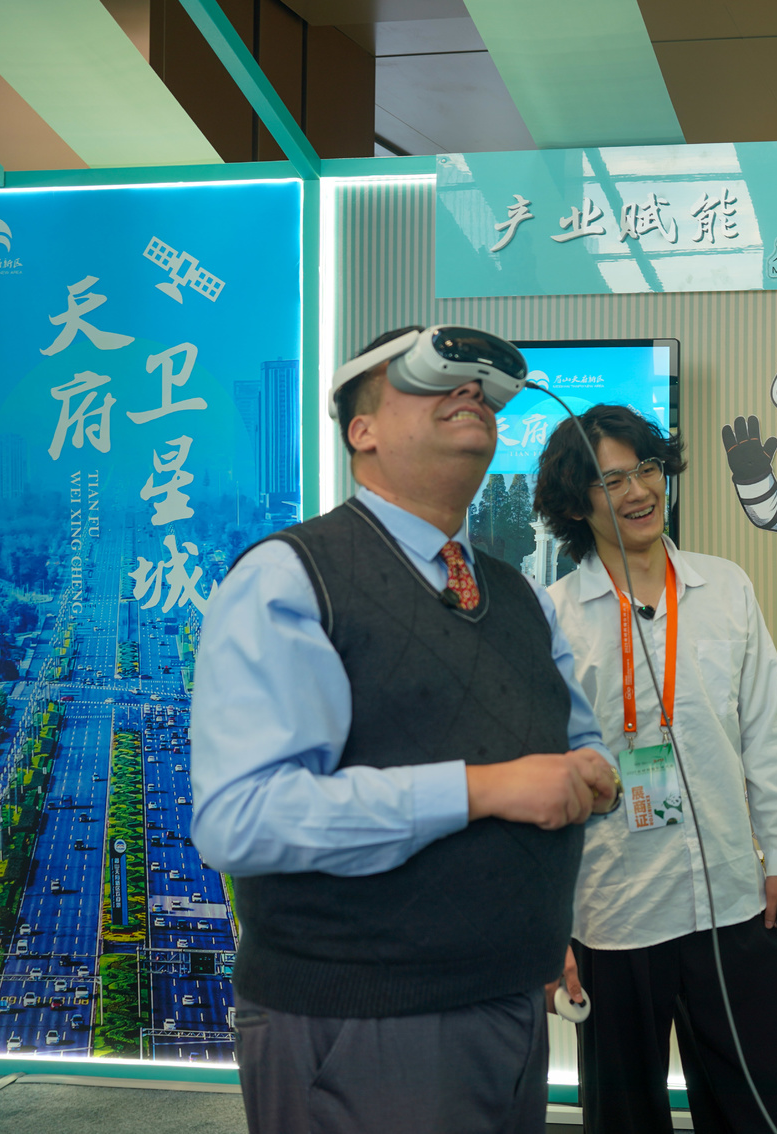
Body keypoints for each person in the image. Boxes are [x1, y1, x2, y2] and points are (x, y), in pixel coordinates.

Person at [191, 326, 617, 1134]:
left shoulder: (521, 598)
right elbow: (240, 818)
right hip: (361, 1022)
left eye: (479, 387)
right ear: (363, 430)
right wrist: (483, 791)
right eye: (430, 379)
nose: (468, 392)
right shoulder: (292, 578)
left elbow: (576, 746)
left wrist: (589, 774)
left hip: (512, 1005)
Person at [535, 404, 777, 1134]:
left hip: (731, 900)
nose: (639, 491)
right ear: (576, 503)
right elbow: (546, 780)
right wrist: (549, 927)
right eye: (612, 480)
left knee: (766, 1114)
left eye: (648, 469)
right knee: (624, 1117)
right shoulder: (556, 617)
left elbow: (767, 731)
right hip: (614, 914)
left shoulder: (726, 589)